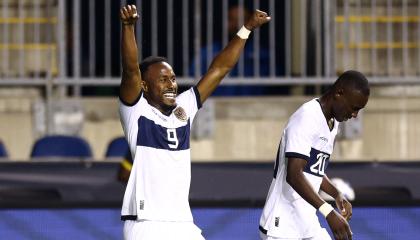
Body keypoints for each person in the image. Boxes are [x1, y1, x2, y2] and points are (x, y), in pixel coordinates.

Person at [119, 4, 270, 240]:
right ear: (144, 86)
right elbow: (130, 71)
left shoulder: (184, 108)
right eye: (162, 80)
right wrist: (128, 28)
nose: (171, 84)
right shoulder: (136, 111)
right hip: (145, 223)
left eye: (172, 78)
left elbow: (220, 69)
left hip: (182, 222)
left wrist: (246, 29)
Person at [259, 70, 370, 240]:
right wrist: (329, 212)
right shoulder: (307, 117)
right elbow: (294, 175)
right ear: (339, 93)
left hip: (306, 223)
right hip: (282, 227)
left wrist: (336, 194)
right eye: (354, 108)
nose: (355, 115)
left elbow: (312, 171)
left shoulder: (333, 123)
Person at [189, 5, 270, 96]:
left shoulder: (263, 55)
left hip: (255, 106)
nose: (236, 24)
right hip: (213, 104)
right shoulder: (206, 53)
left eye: (242, 20)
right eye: (232, 19)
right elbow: (192, 82)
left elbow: (272, 88)